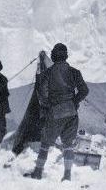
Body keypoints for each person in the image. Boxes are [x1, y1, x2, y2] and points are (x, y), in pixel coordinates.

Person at [26, 43, 89, 181]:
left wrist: (50, 106)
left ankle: (38, 172)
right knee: (68, 145)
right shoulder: (75, 72)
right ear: (66, 56)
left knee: (45, 144)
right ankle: (67, 176)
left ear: (54, 56)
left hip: (55, 113)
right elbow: (84, 90)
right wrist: (74, 102)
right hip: (72, 114)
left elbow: (42, 94)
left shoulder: (47, 73)